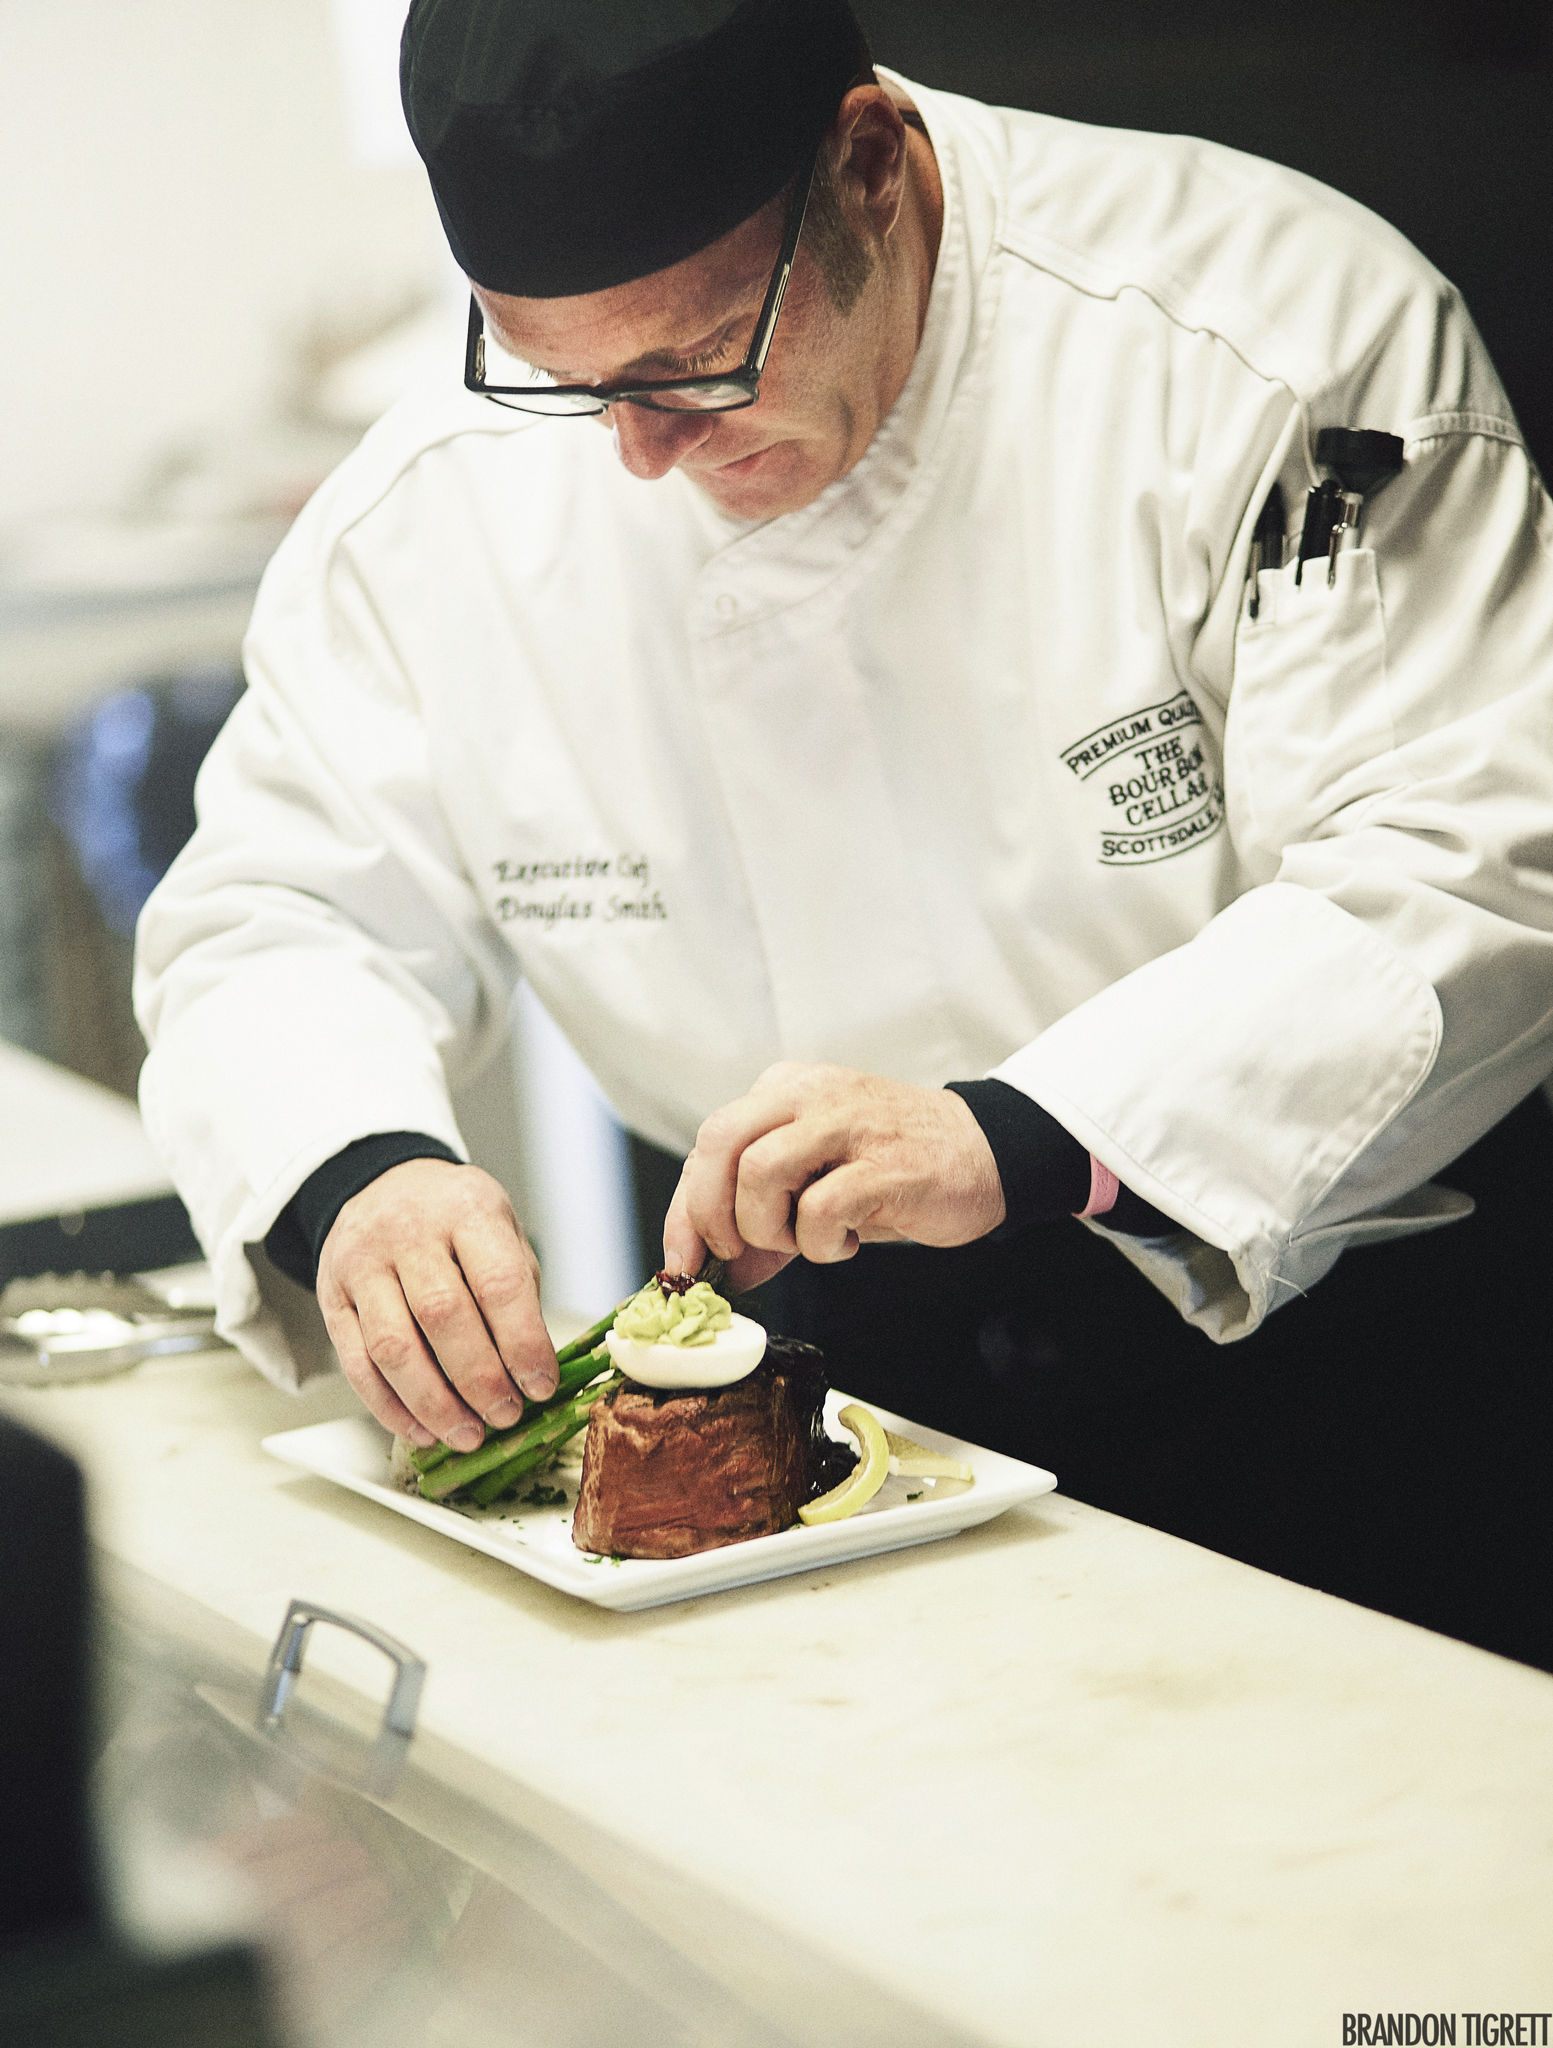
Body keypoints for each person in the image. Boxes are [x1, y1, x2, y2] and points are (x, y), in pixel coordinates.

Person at [135, 0, 1553, 1654]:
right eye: (553, 375)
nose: (637, 454)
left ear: (869, 164)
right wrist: (359, 1178)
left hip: (1310, 1342)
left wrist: (1023, 1130)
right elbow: (277, 913)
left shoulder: (1269, 341)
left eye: (693, 362)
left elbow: (1468, 852)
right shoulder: (442, 493)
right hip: (806, 1371)